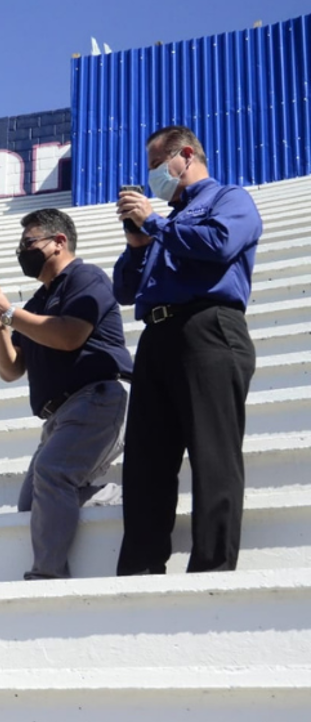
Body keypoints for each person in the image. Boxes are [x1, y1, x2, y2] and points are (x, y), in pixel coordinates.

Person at [113, 125, 261, 575]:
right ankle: (139, 571)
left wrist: (155, 224)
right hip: (157, 335)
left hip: (208, 327)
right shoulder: (163, 225)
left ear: (188, 155)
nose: (154, 175)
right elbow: (125, 290)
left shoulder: (228, 198)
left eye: (159, 164)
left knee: (213, 454)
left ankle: (212, 570)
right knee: (145, 461)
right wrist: (137, 244)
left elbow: (220, 244)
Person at [0, 208, 132, 579]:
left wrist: (9, 313)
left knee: (52, 473)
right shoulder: (38, 302)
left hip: (98, 396)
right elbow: (11, 369)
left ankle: (47, 574)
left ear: (58, 242)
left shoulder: (86, 277)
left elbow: (70, 336)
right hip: (59, 415)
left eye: (28, 243)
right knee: (32, 503)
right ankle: (128, 495)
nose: (21, 251)